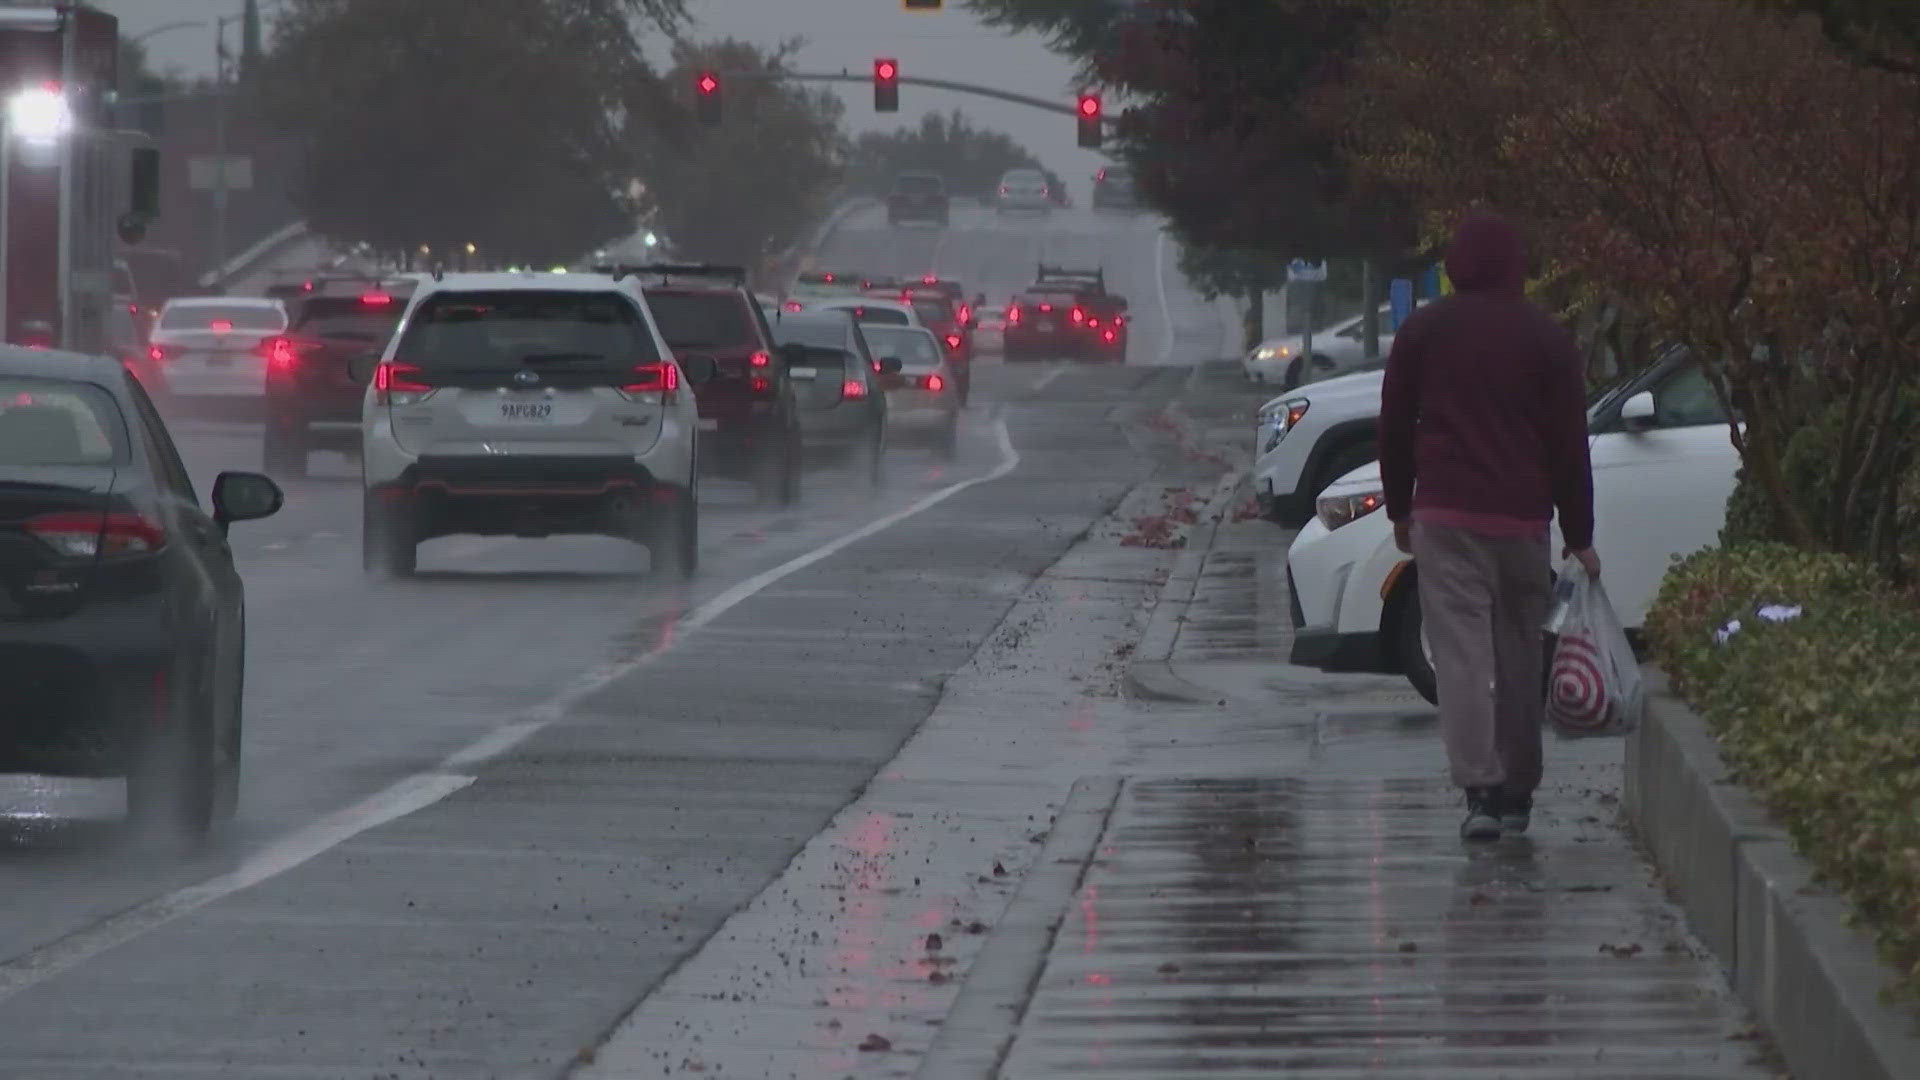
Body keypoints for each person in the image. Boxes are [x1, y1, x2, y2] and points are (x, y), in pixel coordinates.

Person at [1376, 209, 1599, 842]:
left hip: (1445, 517)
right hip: (1523, 519)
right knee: (1521, 654)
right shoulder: (1547, 340)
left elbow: (1393, 425)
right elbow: (1568, 444)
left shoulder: (1423, 332)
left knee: (1463, 658)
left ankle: (1479, 790)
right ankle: (1518, 793)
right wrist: (1579, 532)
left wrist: (1400, 506)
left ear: (1456, 264)